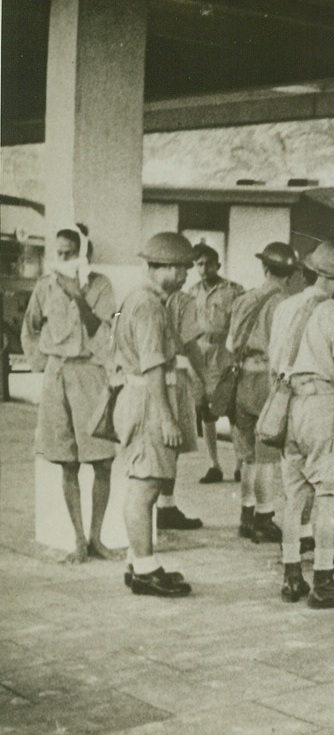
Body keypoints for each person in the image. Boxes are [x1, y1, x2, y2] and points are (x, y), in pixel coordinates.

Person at [270, 241, 334, 609]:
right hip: (321, 407)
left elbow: (274, 362)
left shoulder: (285, 308)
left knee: (294, 498)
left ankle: (291, 577)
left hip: (288, 405)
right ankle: (324, 583)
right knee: (327, 498)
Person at [20, 225, 118, 563]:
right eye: (58, 253)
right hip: (57, 375)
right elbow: (30, 326)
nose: (61, 259)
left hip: (90, 374)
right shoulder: (44, 286)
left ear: (82, 255)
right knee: (68, 463)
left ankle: (97, 538)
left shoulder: (101, 285)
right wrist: (41, 363)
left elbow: (101, 328)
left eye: (68, 254)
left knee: (103, 460)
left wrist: (76, 292)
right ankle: (78, 541)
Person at [111, 232, 196, 597]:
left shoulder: (139, 299)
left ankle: (138, 560)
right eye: (182, 268)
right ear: (165, 267)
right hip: (148, 403)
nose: (186, 276)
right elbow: (152, 367)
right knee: (145, 487)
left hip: (140, 401)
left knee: (143, 483)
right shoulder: (147, 305)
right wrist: (166, 417)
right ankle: (146, 570)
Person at [226, 241, 299, 543]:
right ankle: (264, 518)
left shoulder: (245, 299)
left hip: (242, 379)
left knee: (247, 455)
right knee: (267, 454)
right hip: (269, 382)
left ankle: (246, 515)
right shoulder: (287, 303)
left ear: (265, 268)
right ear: (290, 274)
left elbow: (231, 344)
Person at [152, 287, 206, 531]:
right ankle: (164, 507)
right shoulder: (184, 301)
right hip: (173, 378)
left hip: (145, 381)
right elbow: (190, 343)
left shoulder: (138, 296)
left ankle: (163, 506)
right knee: (170, 446)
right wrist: (204, 380)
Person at [190, 243, 244, 484]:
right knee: (205, 411)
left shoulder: (232, 290)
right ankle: (214, 464)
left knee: (232, 410)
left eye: (208, 263)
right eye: (199, 264)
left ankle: (241, 463)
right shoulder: (191, 292)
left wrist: (237, 352)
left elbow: (243, 321)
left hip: (224, 351)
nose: (204, 268)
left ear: (217, 265)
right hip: (199, 353)